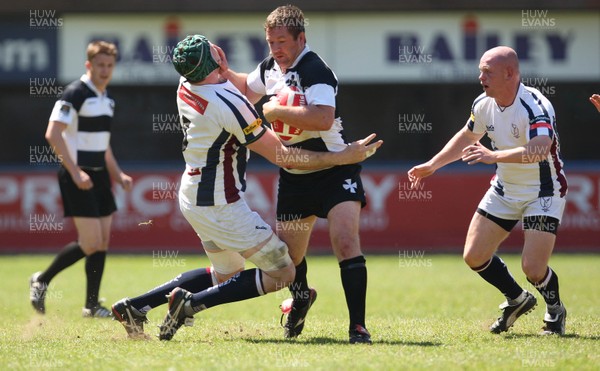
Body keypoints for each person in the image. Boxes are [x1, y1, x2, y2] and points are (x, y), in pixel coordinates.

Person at [110, 35, 381, 340]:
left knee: (225, 274)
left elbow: (229, 88)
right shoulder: (229, 103)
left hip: (192, 195)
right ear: (215, 59)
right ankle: (191, 303)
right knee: (283, 272)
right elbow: (282, 155)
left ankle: (135, 306)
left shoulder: (186, 84)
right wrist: (340, 156)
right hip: (220, 203)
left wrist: (226, 74)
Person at [218, 4, 373, 344]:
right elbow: (247, 85)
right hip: (295, 174)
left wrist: (273, 109)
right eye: (271, 42)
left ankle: (358, 327)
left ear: (301, 38)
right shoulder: (273, 66)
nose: (276, 50)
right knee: (289, 260)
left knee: (345, 242)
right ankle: (301, 301)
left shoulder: (315, 69)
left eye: (283, 42)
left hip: (336, 167)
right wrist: (225, 71)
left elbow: (322, 119)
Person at [408, 46, 568, 335]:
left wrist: (493, 156)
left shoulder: (535, 104)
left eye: (487, 71)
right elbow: (468, 136)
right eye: (480, 70)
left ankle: (555, 310)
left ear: (509, 73)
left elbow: (540, 149)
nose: (480, 76)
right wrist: (433, 165)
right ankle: (517, 299)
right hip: (505, 189)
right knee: (474, 256)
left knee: (533, 268)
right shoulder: (483, 103)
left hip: (543, 192)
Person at [29, 41, 132, 318]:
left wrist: (118, 174)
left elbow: (103, 145)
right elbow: (53, 133)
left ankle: (91, 305)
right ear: (89, 65)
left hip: (99, 177)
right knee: (90, 243)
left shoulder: (106, 98)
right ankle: (42, 279)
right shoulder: (76, 92)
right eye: (100, 65)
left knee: (103, 242)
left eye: (109, 65)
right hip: (77, 175)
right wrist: (75, 172)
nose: (105, 70)